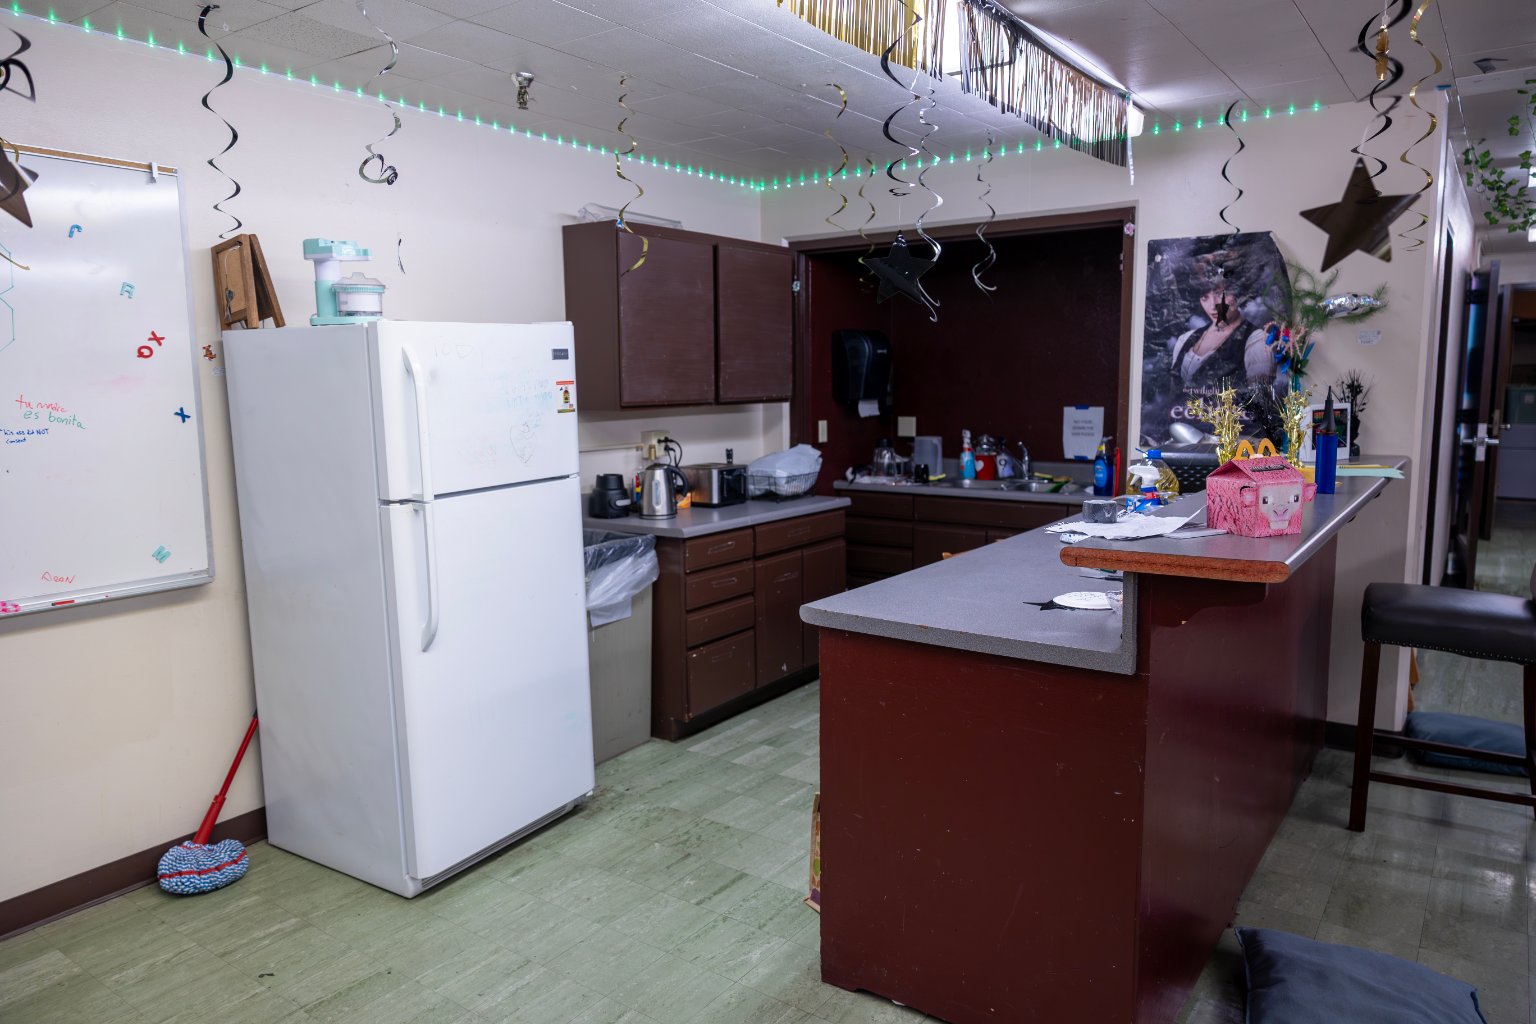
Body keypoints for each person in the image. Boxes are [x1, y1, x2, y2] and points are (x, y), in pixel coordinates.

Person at [1167, 252, 1277, 389]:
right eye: (1204, 297)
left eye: (1219, 294)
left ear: (1237, 292)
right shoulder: (1185, 339)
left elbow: (1259, 402)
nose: (1213, 306)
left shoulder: (1257, 340)